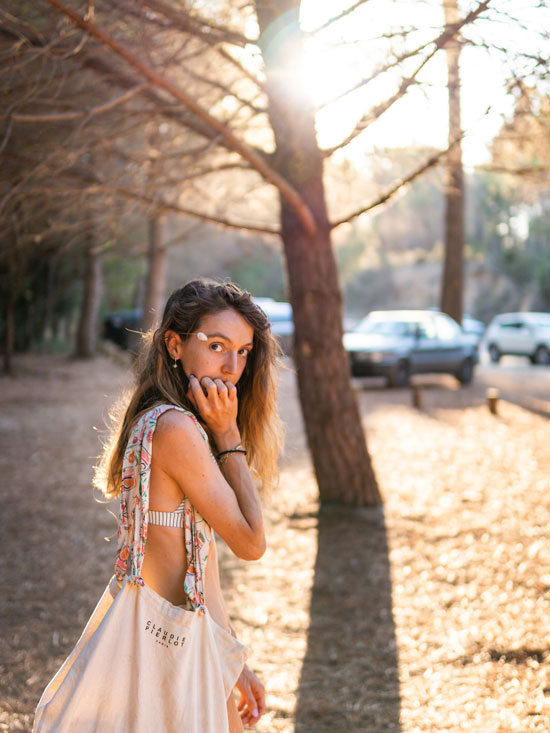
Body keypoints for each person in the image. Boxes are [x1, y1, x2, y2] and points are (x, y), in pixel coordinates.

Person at [36, 279, 283, 732]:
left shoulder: (161, 419)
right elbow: (250, 543)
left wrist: (232, 661)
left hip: (184, 645)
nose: (232, 367)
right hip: (170, 656)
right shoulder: (176, 430)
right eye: (216, 345)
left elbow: (196, 564)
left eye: (245, 352)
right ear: (174, 344)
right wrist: (228, 435)